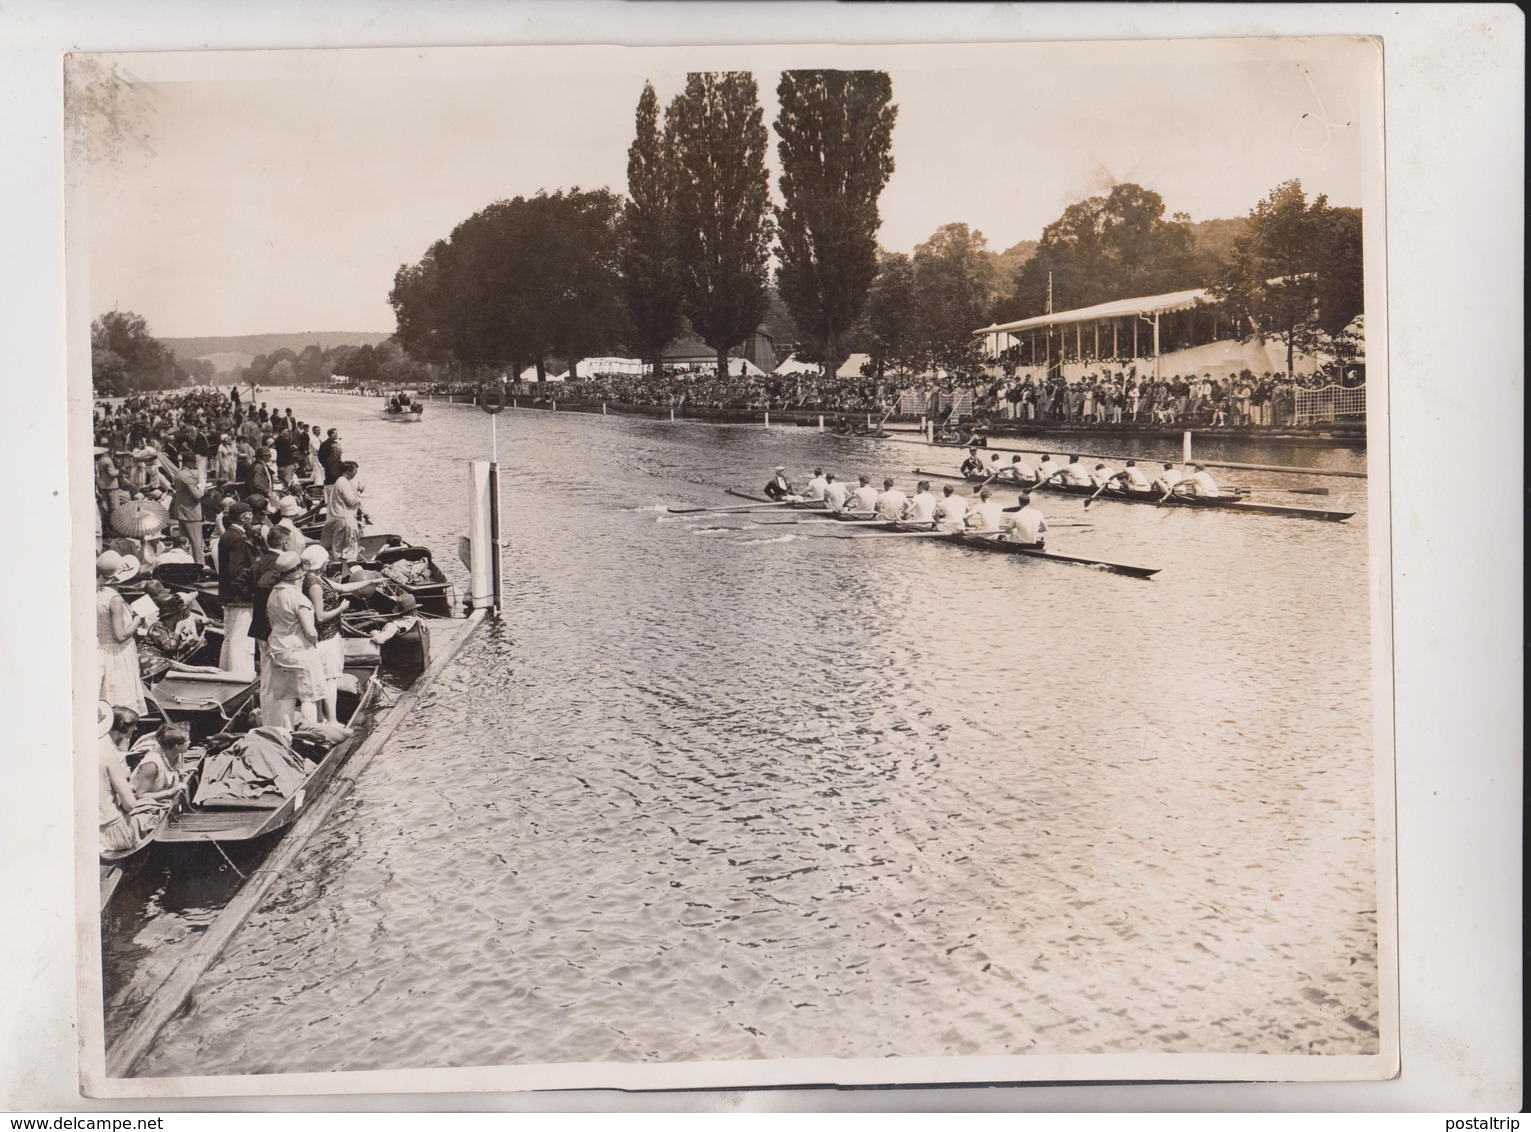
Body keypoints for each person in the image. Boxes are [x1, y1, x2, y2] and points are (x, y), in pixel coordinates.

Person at [265, 550, 326, 728]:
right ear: (298, 573)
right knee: (309, 696)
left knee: (287, 696)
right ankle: (309, 735)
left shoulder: (274, 594)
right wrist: (314, 641)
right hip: (299, 651)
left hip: (278, 649)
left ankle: (288, 734)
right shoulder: (298, 598)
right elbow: (311, 631)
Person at [300, 545, 361, 723]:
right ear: (319, 563)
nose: (328, 562)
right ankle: (333, 720)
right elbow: (319, 616)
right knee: (330, 679)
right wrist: (341, 608)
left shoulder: (316, 579)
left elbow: (343, 588)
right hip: (326, 638)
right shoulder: (315, 586)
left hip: (326, 636)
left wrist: (370, 582)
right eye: (325, 559)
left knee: (321, 678)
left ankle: (321, 717)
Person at [96, 551, 146, 714]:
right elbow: (120, 635)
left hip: (103, 649)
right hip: (118, 654)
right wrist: (137, 620)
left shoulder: (99, 593)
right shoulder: (115, 599)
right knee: (122, 699)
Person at [216, 503, 257, 678]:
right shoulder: (238, 538)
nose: (252, 517)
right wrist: (254, 576)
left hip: (228, 595)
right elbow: (236, 571)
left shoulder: (226, 536)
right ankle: (240, 675)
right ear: (243, 517)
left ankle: (226, 671)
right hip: (240, 597)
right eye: (250, 514)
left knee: (229, 638)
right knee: (241, 639)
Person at [322, 461, 363, 563]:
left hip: (337, 518)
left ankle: (338, 565)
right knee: (348, 550)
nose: (356, 473)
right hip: (345, 520)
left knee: (337, 548)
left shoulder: (341, 481)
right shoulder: (343, 482)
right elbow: (351, 501)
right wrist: (359, 493)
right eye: (354, 470)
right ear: (348, 471)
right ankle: (348, 567)